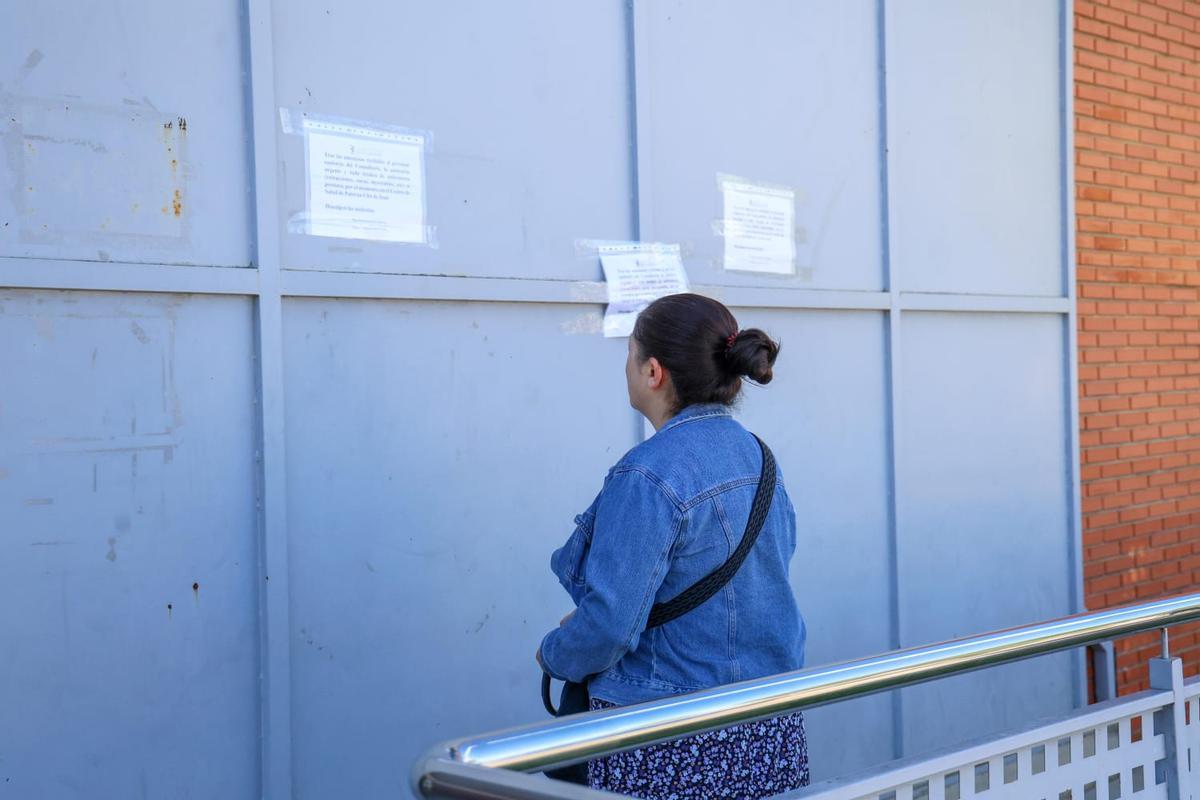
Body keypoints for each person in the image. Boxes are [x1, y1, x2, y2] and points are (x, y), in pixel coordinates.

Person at [536, 293, 809, 799]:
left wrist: (554, 654)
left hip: (672, 738)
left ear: (652, 372)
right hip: (767, 727)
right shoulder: (762, 460)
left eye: (630, 353)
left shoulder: (647, 475)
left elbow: (609, 627)